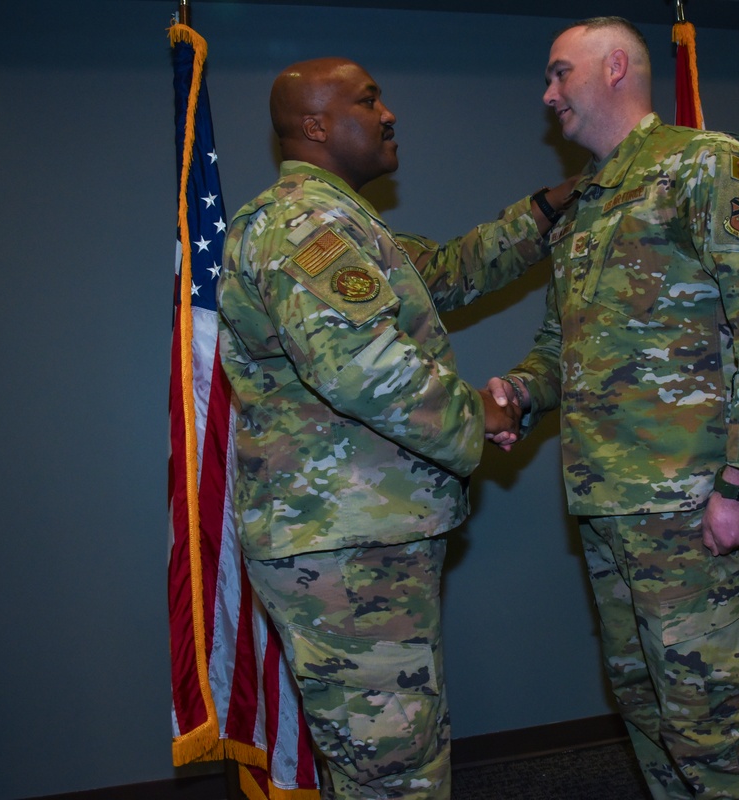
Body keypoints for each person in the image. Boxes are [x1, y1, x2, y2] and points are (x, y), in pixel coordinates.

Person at [217, 57, 574, 800]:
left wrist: (546, 209)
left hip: (358, 537)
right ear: (315, 125)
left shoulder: (341, 222)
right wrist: (486, 414)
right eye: (368, 100)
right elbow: (365, 368)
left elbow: (444, 271)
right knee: (394, 778)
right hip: (344, 547)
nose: (389, 114)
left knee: (394, 760)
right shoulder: (305, 225)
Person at [488, 17, 739, 800]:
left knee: (708, 718)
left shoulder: (705, 166)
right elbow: (560, 346)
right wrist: (520, 392)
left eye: (557, 74)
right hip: (609, 502)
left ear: (613, 68)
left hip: (691, 502)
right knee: (643, 702)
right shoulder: (586, 208)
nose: (547, 96)